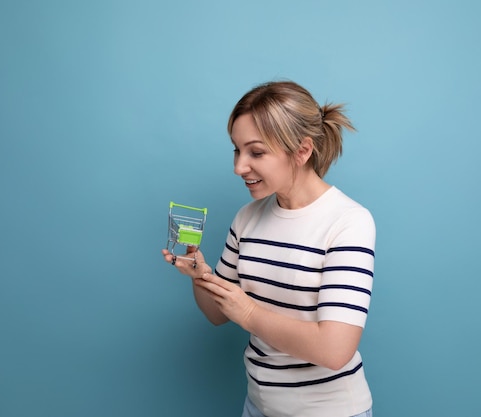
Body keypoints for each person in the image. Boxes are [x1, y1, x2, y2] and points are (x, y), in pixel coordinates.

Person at [161, 80, 376, 417]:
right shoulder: (247, 217)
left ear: (302, 151)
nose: (239, 167)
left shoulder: (348, 222)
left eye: (256, 152)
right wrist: (201, 276)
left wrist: (247, 312)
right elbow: (217, 314)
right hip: (258, 407)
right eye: (236, 149)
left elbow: (335, 350)